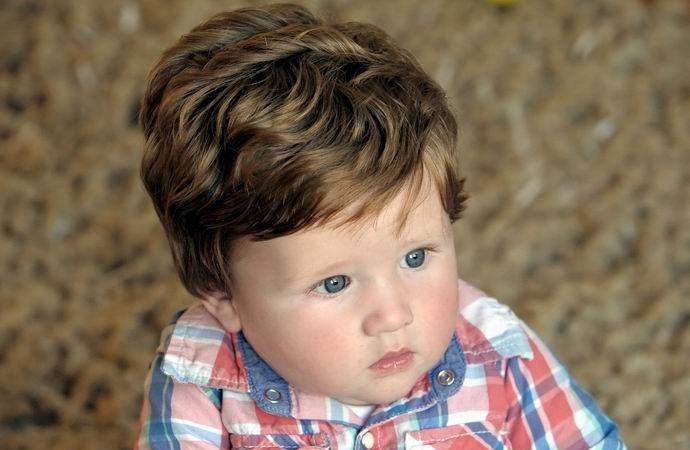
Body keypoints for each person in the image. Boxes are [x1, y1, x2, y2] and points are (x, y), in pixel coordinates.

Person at [133, 3, 625, 449]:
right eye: (334, 282)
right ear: (222, 294)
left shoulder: (494, 348)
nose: (392, 316)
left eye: (415, 258)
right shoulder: (203, 374)